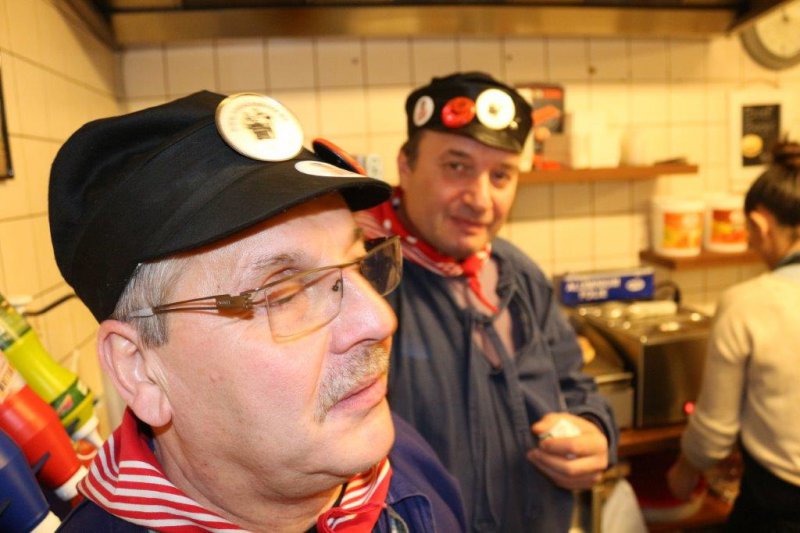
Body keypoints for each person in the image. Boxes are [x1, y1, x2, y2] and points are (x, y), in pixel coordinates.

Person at [48, 90, 466, 532]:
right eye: (284, 294)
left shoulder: (406, 462)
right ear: (141, 370)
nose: (379, 320)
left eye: (358, 263)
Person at [355, 72, 618, 532]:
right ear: (405, 166)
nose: (480, 199)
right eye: (456, 166)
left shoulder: (517, 273)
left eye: (501, 176)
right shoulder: (366, 282)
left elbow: (574, 385)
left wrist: (594, 430)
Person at [667, 140, 800, 532]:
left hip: (780, 507)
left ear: (761, 223)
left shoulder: (748, 304)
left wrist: (684, 473)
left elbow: (714, 431)